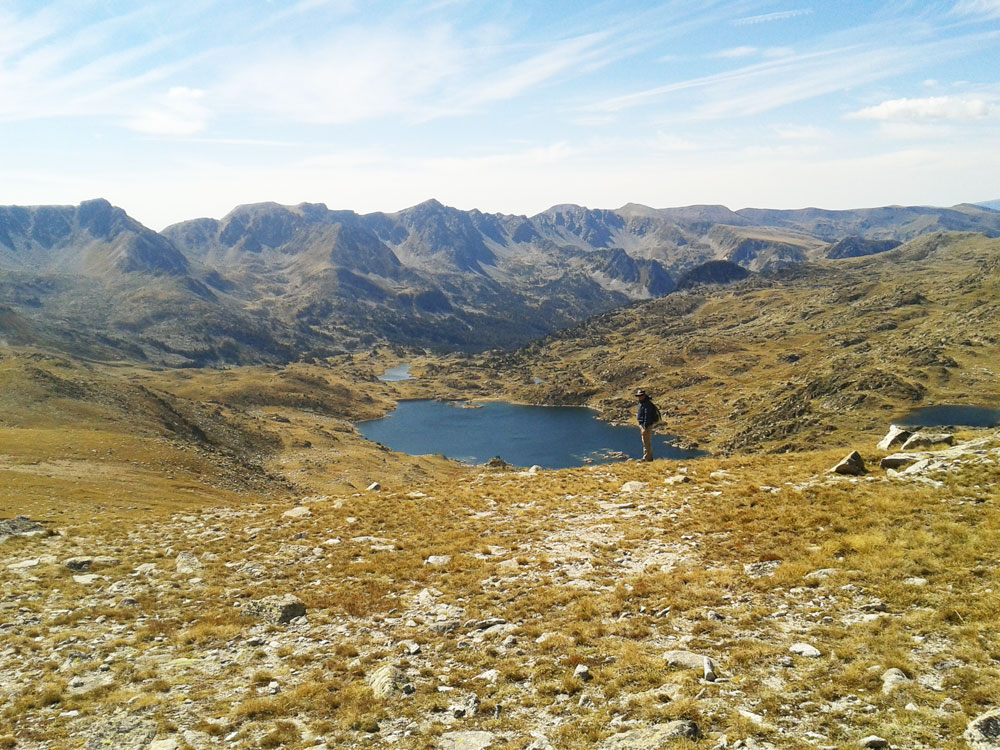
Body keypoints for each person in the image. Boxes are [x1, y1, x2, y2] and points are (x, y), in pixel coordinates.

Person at [635, 388, 659, 462]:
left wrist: (644, 428)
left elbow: (647, 417)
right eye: (638, 396)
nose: (639, 397)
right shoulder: (641, 403)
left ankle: (648, 459)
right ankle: (646, 457)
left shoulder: (647, 404)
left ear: (644, 395)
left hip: (646, 426)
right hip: (642, 425)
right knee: (645, 442)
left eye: (641, 395)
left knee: (646, 442)